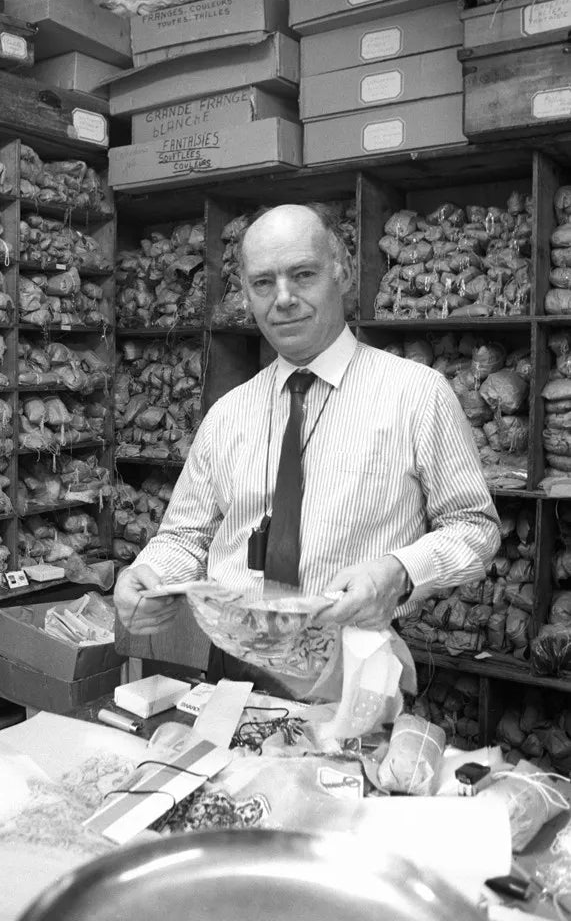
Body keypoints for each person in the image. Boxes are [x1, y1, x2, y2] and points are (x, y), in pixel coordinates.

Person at [113, 202, 501, 696]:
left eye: (303, 274)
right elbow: (185, 537)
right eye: (263, 283)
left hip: (356, 661)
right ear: (247, 294)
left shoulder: (416, 395)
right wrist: (149, 572)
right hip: (234, 665)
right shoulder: (229, 412)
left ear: (340, 273)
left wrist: (399, 573)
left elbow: (475, 527)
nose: (284, 298)